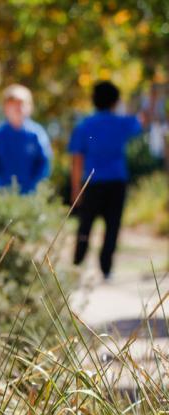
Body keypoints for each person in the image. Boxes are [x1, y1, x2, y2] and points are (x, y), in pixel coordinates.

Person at [69, 80, 144, 280]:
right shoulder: (121, 122)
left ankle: (77, 264)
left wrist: (76, 189)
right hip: (116, 183)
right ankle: (106, 268)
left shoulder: (84, 125)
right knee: (112, 227)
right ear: (115, 101)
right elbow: (141, 120)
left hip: (91, 183)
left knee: (85, 225)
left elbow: (77, 159)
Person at [0, 84, 52, 194]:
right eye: (13, 103)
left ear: (30, 107)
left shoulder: (36, 134)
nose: (18, 107)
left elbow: (44, 162)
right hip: (2, 193)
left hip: (30, 194)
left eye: (22, 103)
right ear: (5, 107)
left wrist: (34, 185)